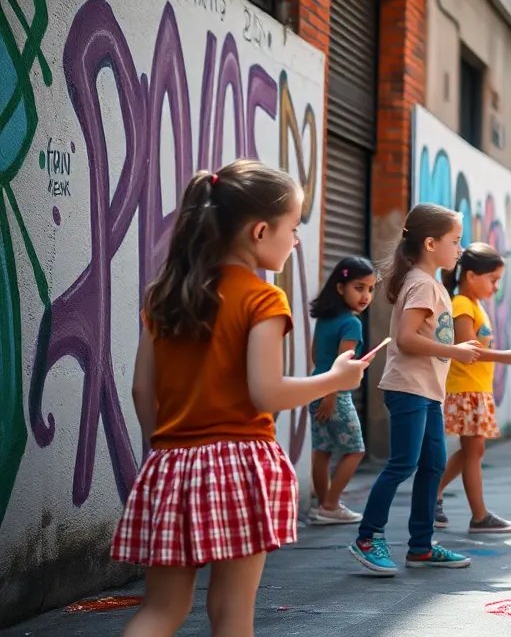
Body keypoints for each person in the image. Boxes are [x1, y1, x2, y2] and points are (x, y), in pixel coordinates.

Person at [114, 161, 368, 635]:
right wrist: (335, 378)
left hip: (171, 462)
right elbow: (266, 391)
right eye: (293, 228)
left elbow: (140, 389)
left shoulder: (164, 296)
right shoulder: (262, 299)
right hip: (239, 464)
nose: (295, 241)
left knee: (161, 609)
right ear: (259, 231)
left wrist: (166, 449)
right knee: (231, 613)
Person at [348, 204, 482, 576]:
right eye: (455, 241)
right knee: (403, 464)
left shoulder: (430, 283)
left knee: (433, 465)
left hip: (426, 391)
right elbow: (406, 339)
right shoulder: (423, 284)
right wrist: (454, 351)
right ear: (429, 243)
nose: (460, 248)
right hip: (409, 388)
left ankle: (421, 547)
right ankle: (367, 537)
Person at [434, 242, 511, 533]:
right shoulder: (462, 304)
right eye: (493, 279)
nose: (496, 287)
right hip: (465, 389)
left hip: (476, 389)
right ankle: (479, 516)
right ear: (471, 276)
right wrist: (507, 356)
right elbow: (467, 348)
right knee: (473, 451)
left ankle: (430, 497)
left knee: (472, 451)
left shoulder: (474, 305)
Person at [307, 256, 378, 525]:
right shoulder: (352, 323)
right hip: (335, 394)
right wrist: (332, 395)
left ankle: (323, 507)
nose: (366, 295)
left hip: (316, 387)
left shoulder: (326, 319)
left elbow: (317, 355)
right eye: (359, 288)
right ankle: (331, 505)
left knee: (323, 451)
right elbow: (343, 364)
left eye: (370, 289)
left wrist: (324, 391)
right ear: (340, 287)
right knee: (356, 450)